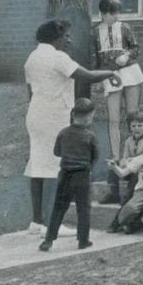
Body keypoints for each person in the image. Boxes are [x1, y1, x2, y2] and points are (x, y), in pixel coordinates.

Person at [22, 19, 121, 237]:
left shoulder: (32, 57)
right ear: (55, 37)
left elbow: (31, 91)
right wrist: (110, 73)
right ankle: (50, 224)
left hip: (35, 114)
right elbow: (85, 75)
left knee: (37, 164)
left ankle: (37, 221)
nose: (69, 39)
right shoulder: (57, 57)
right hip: (52, 115)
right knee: (53, 167)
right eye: (66, 35)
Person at [40, 99, 99, 251]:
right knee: (83, 208)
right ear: (87, 118)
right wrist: (88, 166)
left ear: (73, 115)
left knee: (59, 207)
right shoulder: (90, 136)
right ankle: (83, 240)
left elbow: (56, 152)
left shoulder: (63, 133)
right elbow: (95, 155)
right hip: (82, 175)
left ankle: (49, 240)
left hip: (65, 174)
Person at [93, 0, 143, 169]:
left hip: (130, 73)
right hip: (110, 75)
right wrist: (98, 78)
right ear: (103, 13)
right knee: (113, 119)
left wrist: (126, 55)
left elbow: (135, 48)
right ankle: (115, 155)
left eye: (117, 13)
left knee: (133, 115)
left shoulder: (124, 28)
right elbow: (95, 59)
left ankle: (135, 154)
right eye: (112, 13)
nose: (116, 17)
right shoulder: (95, 31)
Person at [108, 112, 143, 204]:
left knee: (136, 170)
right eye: (133, 126)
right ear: (130, 127)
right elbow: (125, 156)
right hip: (129, 167)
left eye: (140, 126)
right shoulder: (129, 140)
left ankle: (129, 195)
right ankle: (114, 194)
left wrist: (132, 161)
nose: (136, 128)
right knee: (113, 165)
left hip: (142, 169)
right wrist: (123, 160)